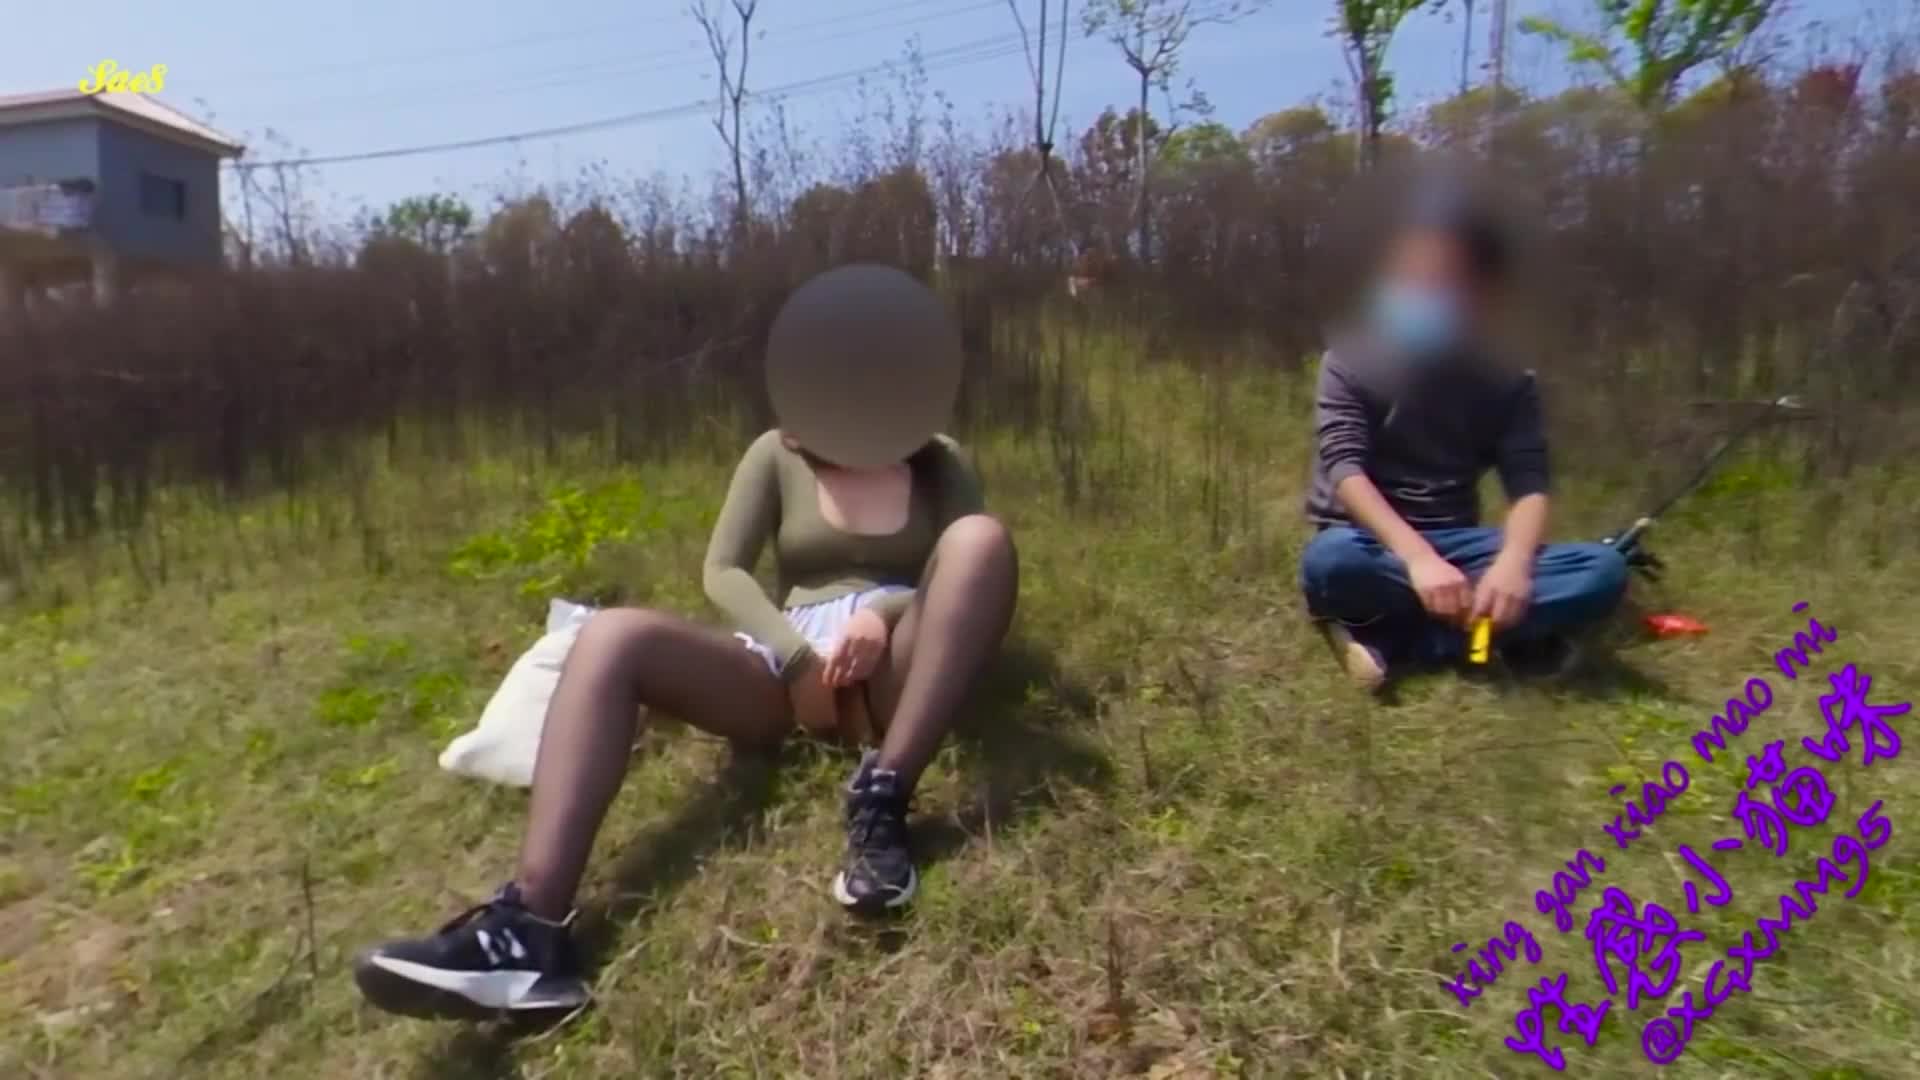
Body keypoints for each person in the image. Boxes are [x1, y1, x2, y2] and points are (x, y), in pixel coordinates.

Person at [353, 265, 1019, 1018]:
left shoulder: (939, 458)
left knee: (983, 538)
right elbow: (723, 569)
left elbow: (967, 574)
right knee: (613, 634)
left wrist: (886, 614)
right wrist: (794, 654)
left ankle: (883, 801)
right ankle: (530, 931)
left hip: (897, 665)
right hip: (783, 660)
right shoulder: (777, 454)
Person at [1298, 181, 1628, 692]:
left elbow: (1530, 484)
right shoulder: (1349, 361)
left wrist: (1512, 566)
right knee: (1331, 562)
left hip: (1459, 540)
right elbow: (1345, 471)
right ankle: (1497, 634)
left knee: (1602, 571)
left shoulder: (1508, 378)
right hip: (1371, 542)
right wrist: (1418, 560)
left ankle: (1398, 640)